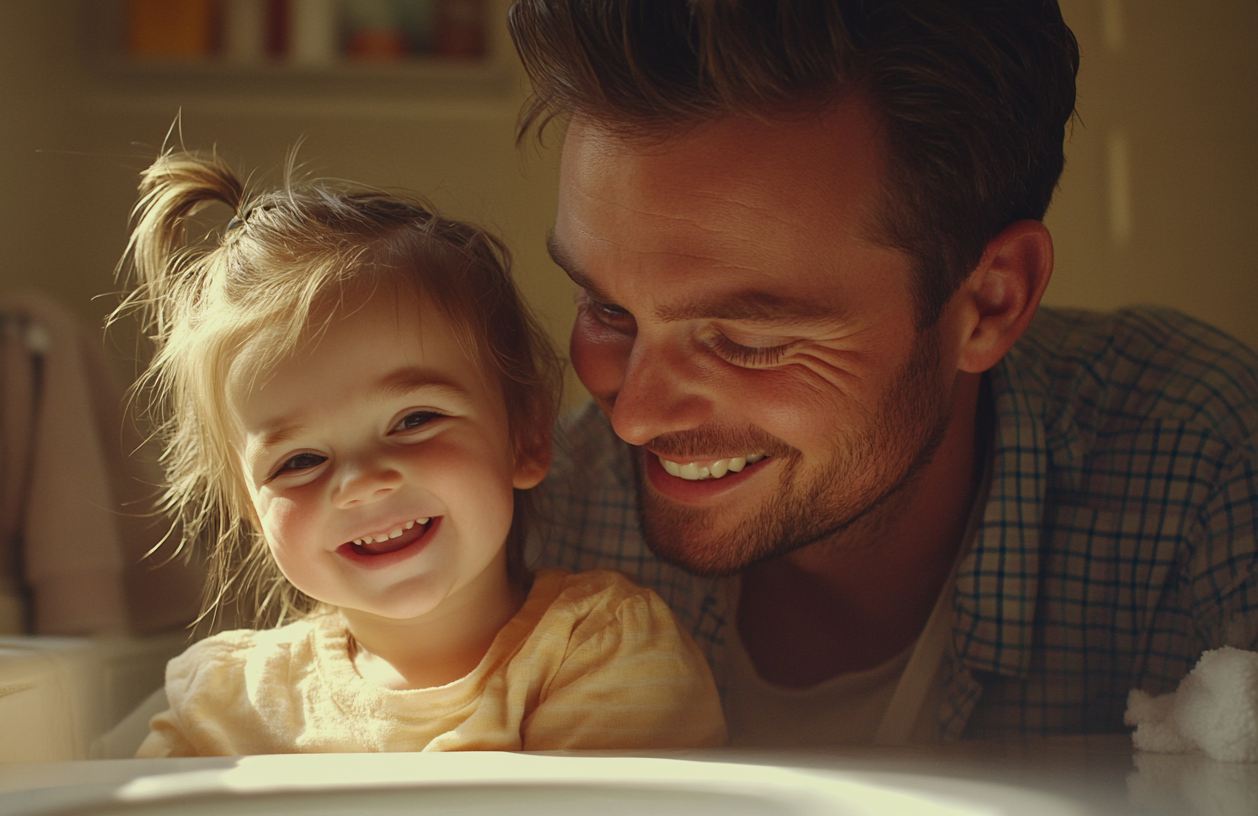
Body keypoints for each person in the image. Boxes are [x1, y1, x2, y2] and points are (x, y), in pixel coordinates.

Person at [510, 0, 1258, 745]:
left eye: (747, 339)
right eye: (605, 309)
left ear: (991, 303)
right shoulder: (536, 525)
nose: (634, 415)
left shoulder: (1208, 481)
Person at [119, 150, 725, 756]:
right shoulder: (228, 701)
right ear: (250, 509)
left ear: (527, 436)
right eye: (299, 461)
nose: (361, 482)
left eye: (414, 419)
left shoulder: (604, 653)